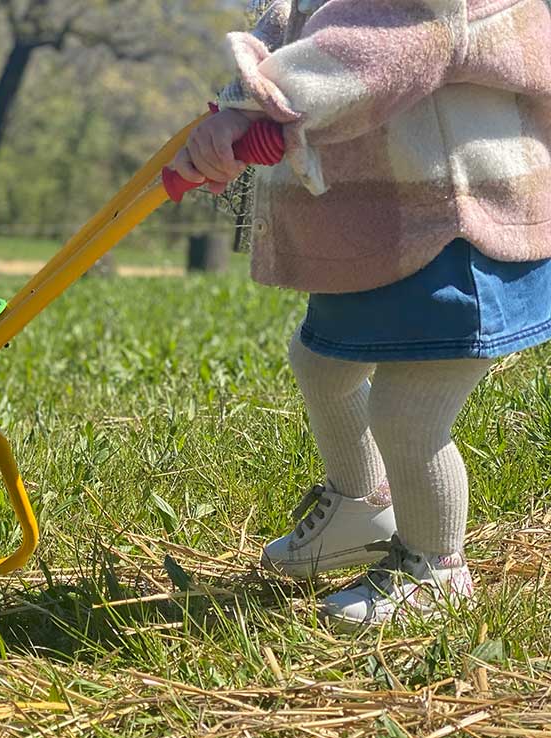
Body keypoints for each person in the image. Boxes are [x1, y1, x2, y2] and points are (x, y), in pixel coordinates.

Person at [170, 0, 551, 630]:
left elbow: (382, 39)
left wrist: (264, 108)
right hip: (382, 224)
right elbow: (295, 21)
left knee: (407, 414)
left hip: (457, 222)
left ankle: (435, 569)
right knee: (321, 361)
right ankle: (360, 507)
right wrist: (234, 111)